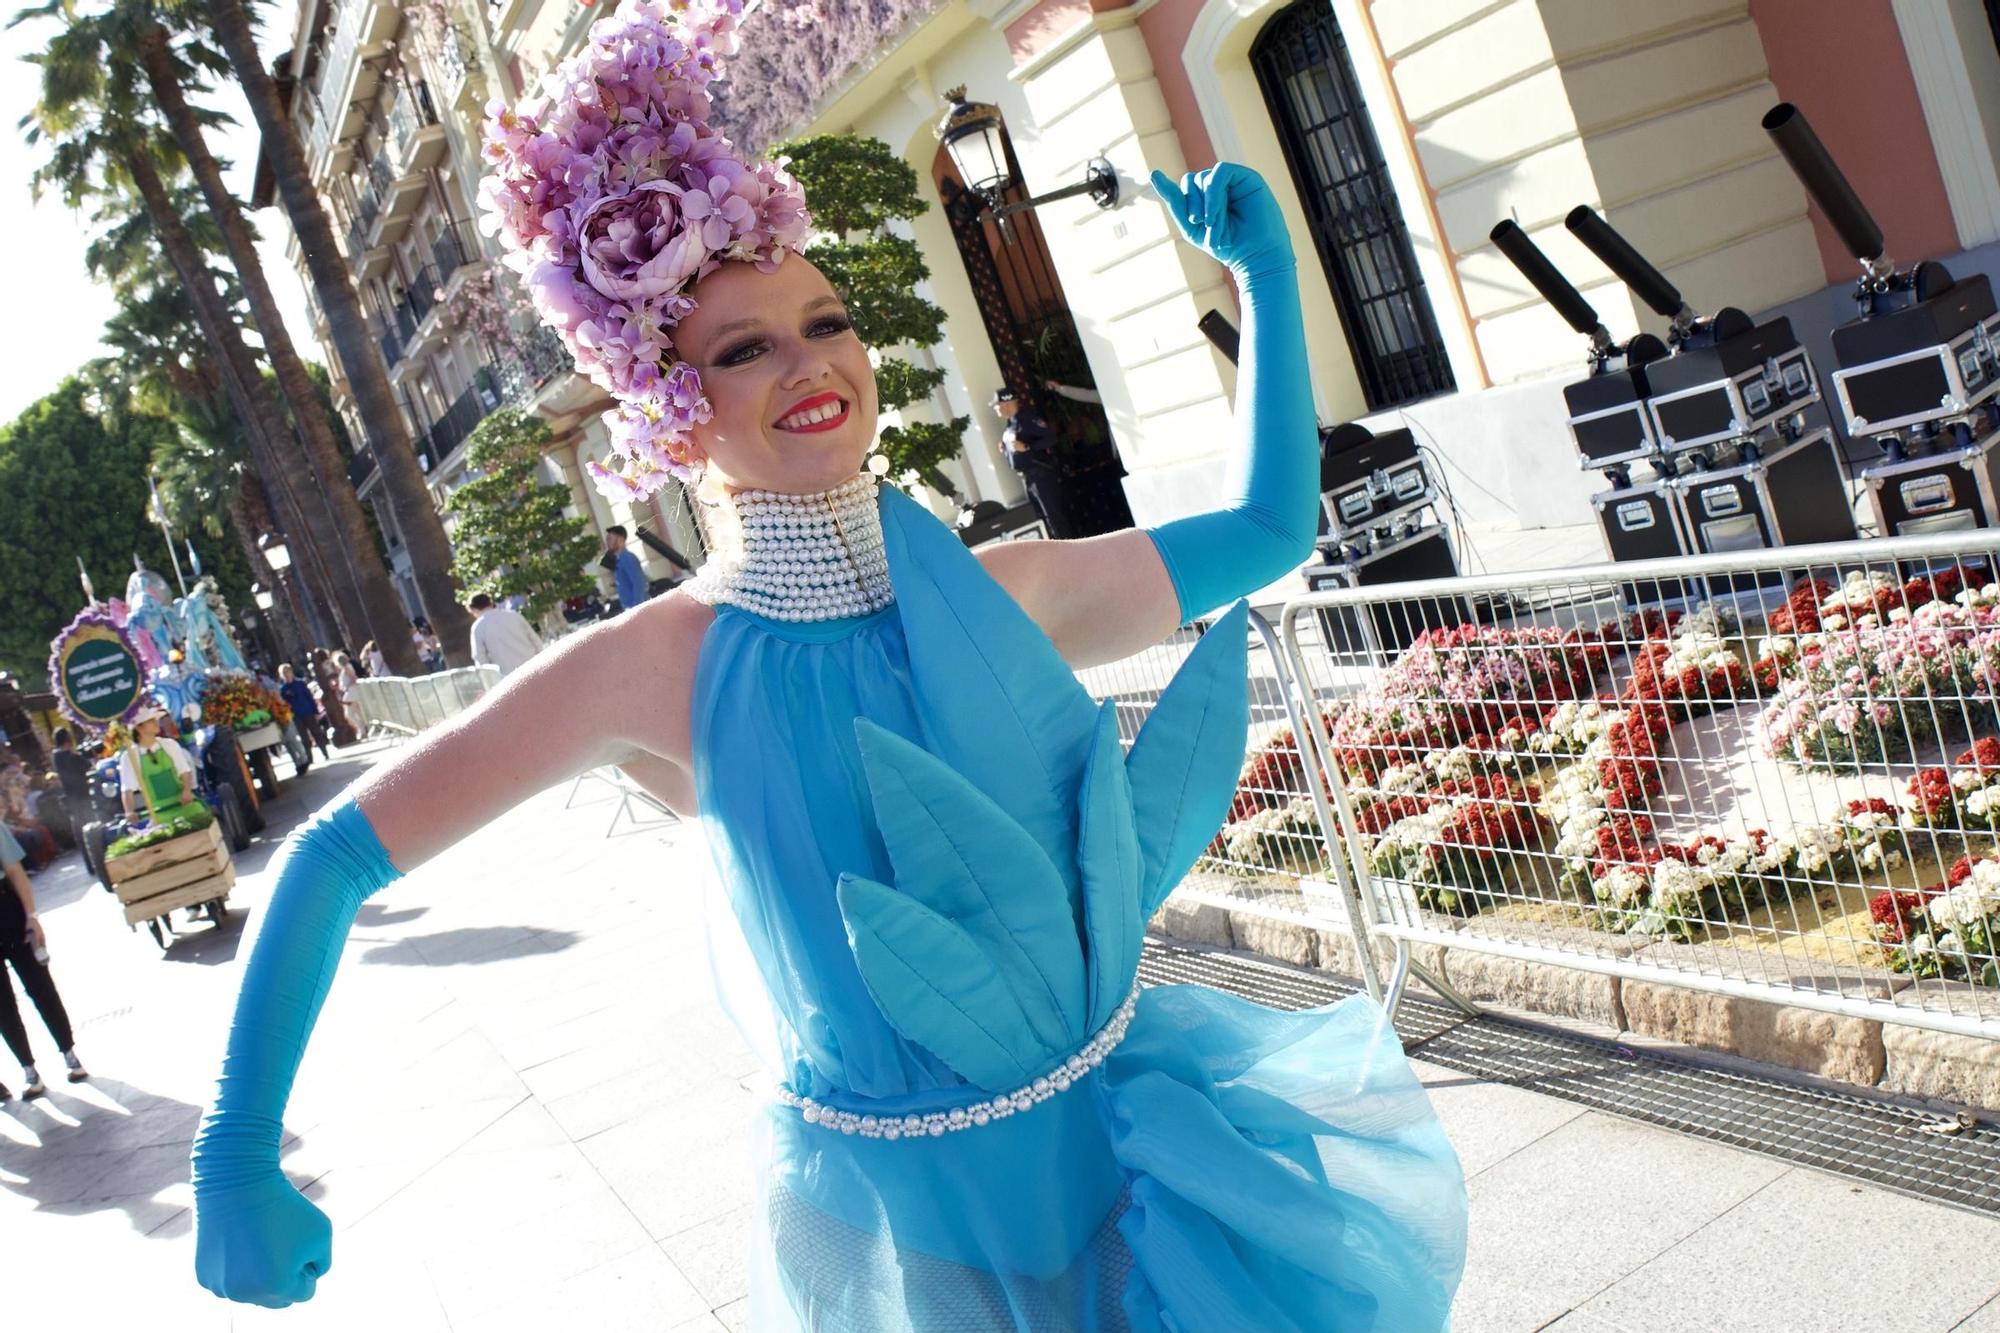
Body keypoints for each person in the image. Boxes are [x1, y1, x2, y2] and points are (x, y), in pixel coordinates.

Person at [189, 8, 1464, 1323]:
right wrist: (234, 1149)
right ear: (673, 404)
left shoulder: (999, 590)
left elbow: (1266, 530)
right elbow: (330, 858)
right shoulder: (651, 668)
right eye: (746, 347)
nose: (815, 363)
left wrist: (1263, 281)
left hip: (1138, 1192)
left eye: (826, 320)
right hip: (926, 1256)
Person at [0, 822, 88, 1101]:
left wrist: (32, 916)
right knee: (2, 1005)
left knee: (41, 987)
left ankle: (69, 1053)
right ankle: (29, 1070)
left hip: (7, 910)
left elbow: (15, 871)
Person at [993, 387, 1068, 537]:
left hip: (1040, 474)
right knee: (1042, 518)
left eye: (997, 405)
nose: (996, 409)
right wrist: (1005, 448)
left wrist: (1028, 447)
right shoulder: (1010, 424)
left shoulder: (1028, 419)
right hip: (1029, 478)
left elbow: (1050, 438)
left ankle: (1068, 548)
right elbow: (1017, 444)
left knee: (1053, 517)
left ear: (1006, 404)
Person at [115, 701, 202, 827]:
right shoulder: (130, 757)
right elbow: (127, 789)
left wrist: (187, 791)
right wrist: (129, 811)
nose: (156, 723)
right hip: (158, 814)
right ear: (139, 728)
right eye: (150, 721)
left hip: (185, 805)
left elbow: (185, 771)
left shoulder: (169, 745)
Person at [466, 592, 545, 680]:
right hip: (532, 667)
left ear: (473, 609)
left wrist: (488, 681)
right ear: (490, 602)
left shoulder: (478, 627)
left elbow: (480, 658)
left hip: (507, 677)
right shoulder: (514, 615)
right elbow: (535, 641)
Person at [49, 729, 95, 843]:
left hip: (72, 794)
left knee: (80, 823)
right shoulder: (67, 755)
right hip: (80, 793)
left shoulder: (56, 756)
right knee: (87, 822)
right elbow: (86, 766)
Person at [277, 665, 330, 762]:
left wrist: (315, 710)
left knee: (316, 733)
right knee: (304, 738)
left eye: (288, 671)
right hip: (296, 715)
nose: (287, 674)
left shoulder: (300, 683)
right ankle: (309, 758)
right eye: (284, 673)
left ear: (291, 672)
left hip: (307, 711)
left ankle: (324, 752)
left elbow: (309, 697)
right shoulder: (283, 689)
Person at [603, 525, 650, 611]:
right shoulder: (619, 561)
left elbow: (639, 584)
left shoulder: (627, 558)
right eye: (607, 539)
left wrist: (636, 609)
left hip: (638, 611)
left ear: (620, 540)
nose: (607, 542)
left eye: (610, 539)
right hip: (631, 610)